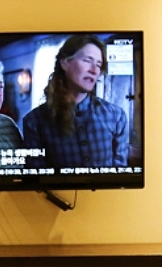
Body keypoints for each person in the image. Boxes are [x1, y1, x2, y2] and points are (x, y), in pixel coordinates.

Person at [22, 35, 129, 169]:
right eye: (87, 60)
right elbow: (37, 176)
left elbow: (120, 174)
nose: (94, 70)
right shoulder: (34, 121)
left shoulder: (116, 116)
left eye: (98, 65)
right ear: (65, 63)